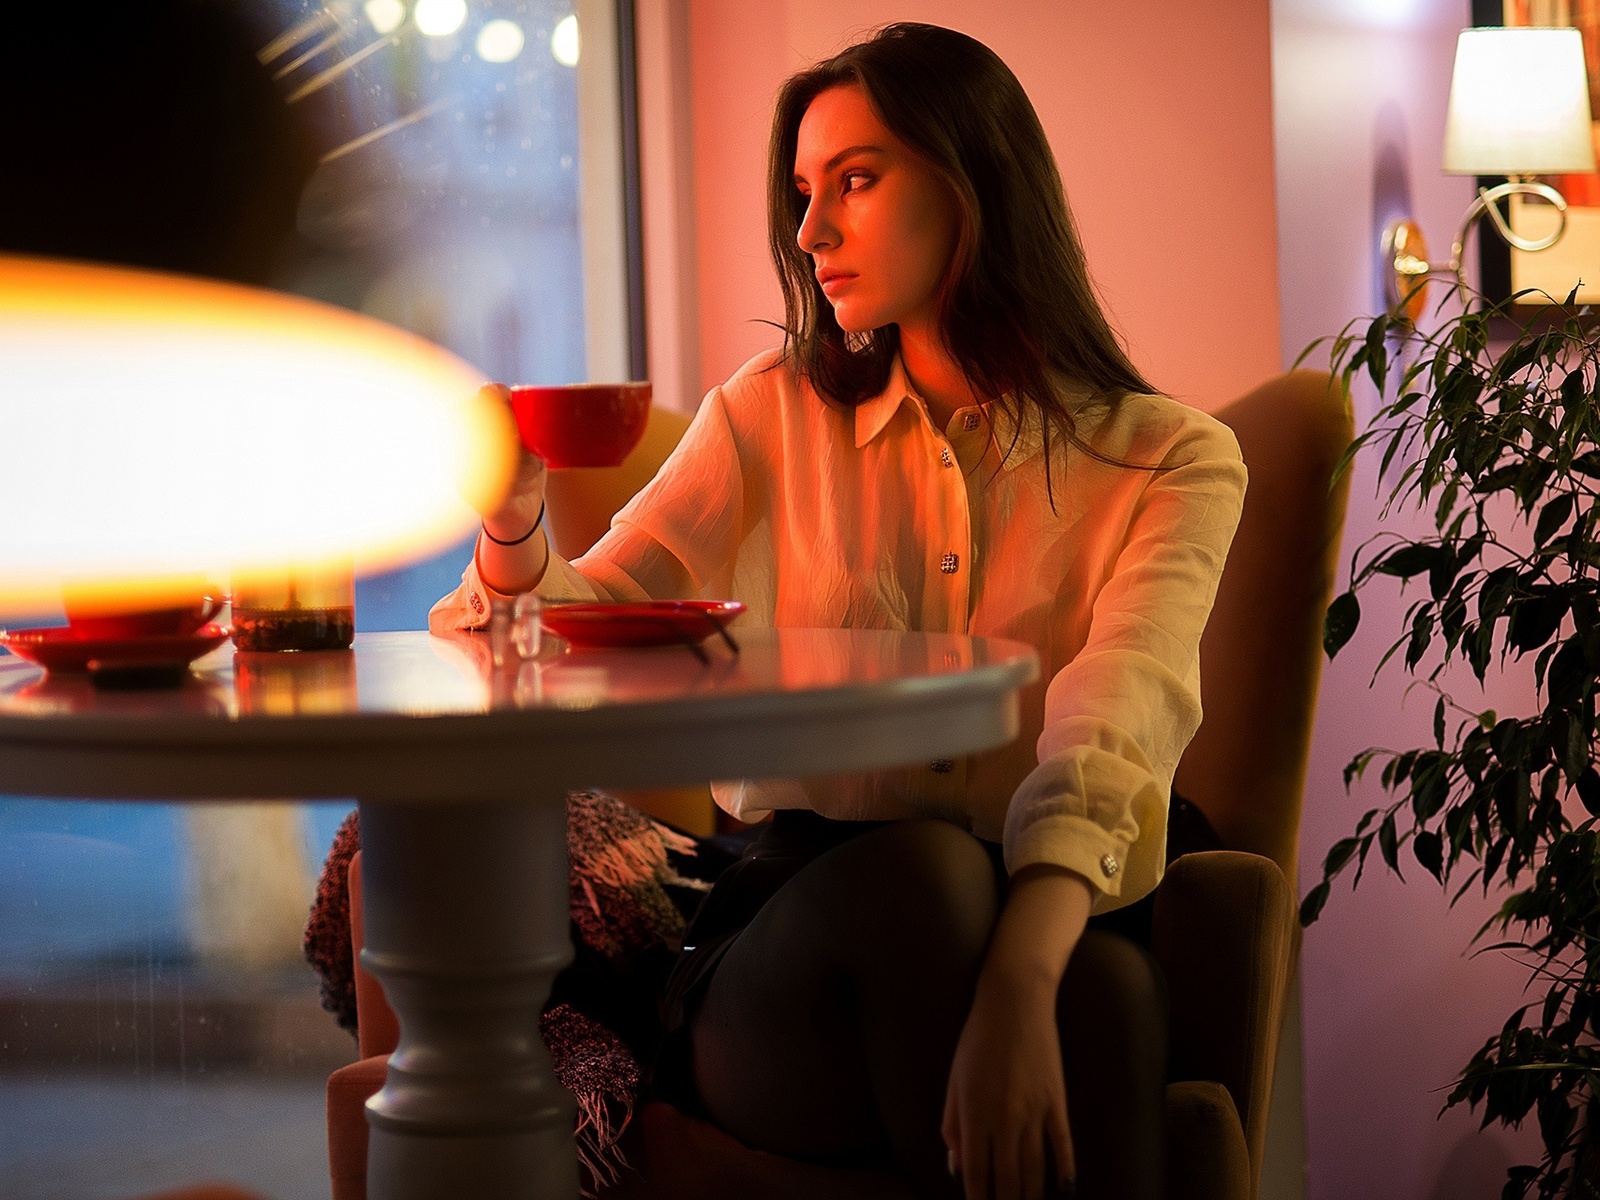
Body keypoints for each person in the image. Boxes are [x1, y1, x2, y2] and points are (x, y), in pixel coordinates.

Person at [431, 22, 1246, 1200]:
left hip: (1050, 912)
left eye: (854, 183)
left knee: (1099, 982)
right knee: (926, 879)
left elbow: (1122, 710)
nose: (809, 232)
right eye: (803, 192)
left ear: (975, 183)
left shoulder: (1169, 460)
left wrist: (1018, 979)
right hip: (795, 948)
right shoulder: (767, 414)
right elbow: (575, 626)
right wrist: (513, 526)